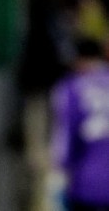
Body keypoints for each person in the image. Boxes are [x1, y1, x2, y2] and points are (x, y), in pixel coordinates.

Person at [50, 37, 109, 211]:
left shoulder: (72, 87)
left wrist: (60, 174)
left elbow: (65, 137)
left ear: (78, 59)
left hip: (87, 185)